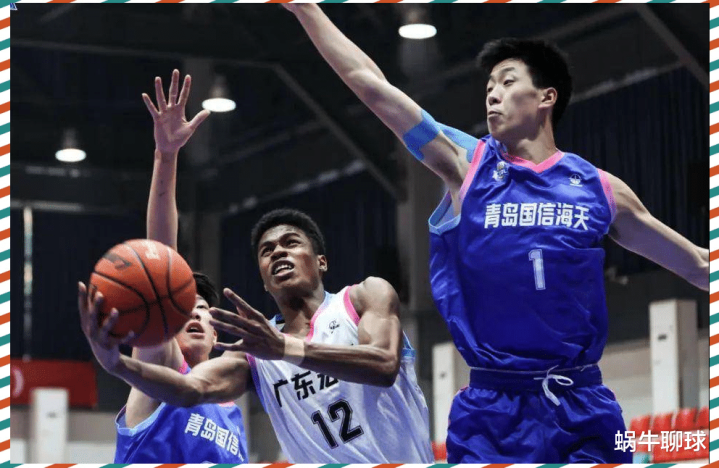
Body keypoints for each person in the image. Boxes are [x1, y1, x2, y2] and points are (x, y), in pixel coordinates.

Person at [282, 5, 709, 463]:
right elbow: (370, 84)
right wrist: (306, 8)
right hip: (491, 411)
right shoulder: (466, 166)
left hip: (583, 404)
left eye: (506, 83)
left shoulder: (600, 190)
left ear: (546, 97)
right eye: (488, 88)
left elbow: (699, 265)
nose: (492, 95)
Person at [79, 79, 433, 464]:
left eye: (291, 243)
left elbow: (383, 365)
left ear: (322, 261)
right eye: (266, 251)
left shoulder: (364, 296)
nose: (278, 251)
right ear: (263, 281)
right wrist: (117, 364)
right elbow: (188, 388)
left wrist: (285, 349)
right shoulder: (255, 355)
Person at [78, 70, 248, 463]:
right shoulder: (159, 370)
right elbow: (159, 258)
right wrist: (166, 156)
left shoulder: (232, 412)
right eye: (184, 310)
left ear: (216, 334)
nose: (196, 315)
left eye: (203, 311)